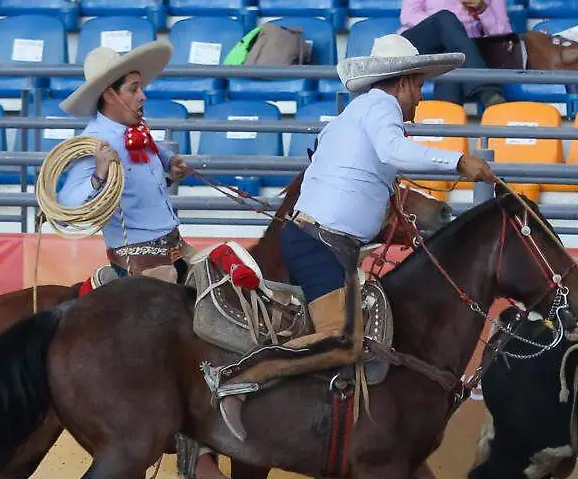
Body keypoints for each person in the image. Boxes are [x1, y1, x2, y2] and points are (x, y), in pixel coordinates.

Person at [206, 34, 496, 441]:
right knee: (342, 340)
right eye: (419, 87)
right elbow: (394, 151)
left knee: (341, 338)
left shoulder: (356, 114)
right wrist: (459, 161)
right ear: (404, 82)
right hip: (322, 243)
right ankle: (236, 377)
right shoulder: (382, 107)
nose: (420, 98)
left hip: (319, 241)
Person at [56, 41, 233, 479]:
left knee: (234, 299)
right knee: (192, 339)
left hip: (176, 252)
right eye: (133, 89)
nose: (143, 95)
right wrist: (98, 174)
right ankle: (198, 449)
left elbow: (147, 185)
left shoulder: (138, 135)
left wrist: (170, 169)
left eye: (140, 87)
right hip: (142, 266)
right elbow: (69, 203)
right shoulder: (92, 145)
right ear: (109, 95)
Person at [399, 0, 510, 107]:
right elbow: (409, 15)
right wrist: (450, 27)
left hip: (462, 49)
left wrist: (482, 10)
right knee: (445, 19)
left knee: (452, 55)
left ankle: (446, 115)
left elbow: (503, 33)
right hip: (421, 42)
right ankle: (489, 92)